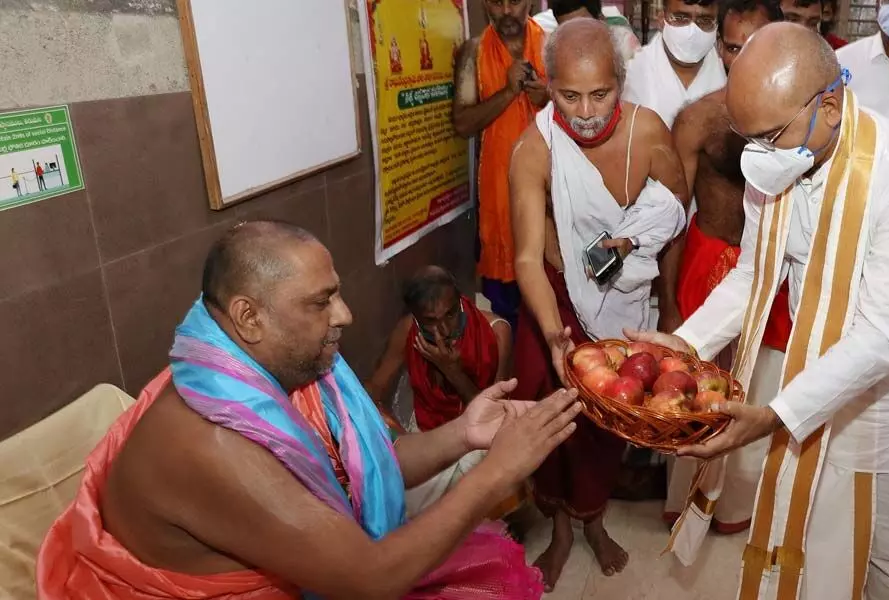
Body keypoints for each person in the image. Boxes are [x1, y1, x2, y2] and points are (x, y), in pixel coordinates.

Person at [37, 221, 584, 599]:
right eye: (321, 301)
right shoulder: (213, 442)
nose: (343, 315)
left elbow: (374, 465)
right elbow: (371, 580)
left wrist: (465, 434)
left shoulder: (275, 369)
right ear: (249, 318)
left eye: (336, 293)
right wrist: (493, 478)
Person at [632, 23, 889, 599]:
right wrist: (685, 344)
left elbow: (884, 337)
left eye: (769, 135)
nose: (756, 154)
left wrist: (775, 415)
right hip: (819, 380)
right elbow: (754, 276)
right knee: (817, 551)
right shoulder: (776, 162)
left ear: (830, 106)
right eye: (746, 137)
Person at [509, 18, 689, 591]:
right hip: (555, 303)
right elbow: (526, 259)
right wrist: (554, 332)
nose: (585, 111)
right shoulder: (534, 147)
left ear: (621, 81)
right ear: (548, 85)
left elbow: (674, 219)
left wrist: (668, 307)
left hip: (627, 305)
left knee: (611, 421)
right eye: (568, 94)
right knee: (559, 422)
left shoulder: (649, 133)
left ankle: (594, 521)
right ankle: (562, 529)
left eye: (600, 92)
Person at [663, 0, 792, 539]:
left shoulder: (801, 117)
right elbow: (670, 216)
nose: (742, 59)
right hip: (707, 257)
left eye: (755, 45)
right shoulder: (698, 117)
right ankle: (681, 498)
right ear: (721, 48)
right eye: (733, 47)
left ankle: (737, 502)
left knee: (759, 389)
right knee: (691, 386)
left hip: (774, 266)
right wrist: (669, 302)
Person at [365, 265, 516, 514]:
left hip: (479, 435)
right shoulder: (408, 331)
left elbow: (492, 415)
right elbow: (375, 387)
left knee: (470, 505)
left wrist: (451, 370)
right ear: (416, 318)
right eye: (430, 322)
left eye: (450, 315)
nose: (443, 331)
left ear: (460, 302)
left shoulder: (496, 332)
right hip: (427, 430)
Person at [623, 0, 726, 332]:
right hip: (641, 233)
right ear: (661, 15)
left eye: (705, 20)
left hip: (707, 237)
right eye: (681, 18)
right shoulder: (633, 73)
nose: (692, 30)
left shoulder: (728, 68)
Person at [452, 0, 549, 331]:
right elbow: (463, 123)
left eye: (516, 1)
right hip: (500, 196)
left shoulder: (552, 45)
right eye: (497, 1)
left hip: (551, 192)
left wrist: (547, 97)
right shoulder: (473, 54)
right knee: (508, 308)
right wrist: (509, 92)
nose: (507, 10)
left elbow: (582, 113)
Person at [533, 0, 642, 61]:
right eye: (568, 30)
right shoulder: (552, 48)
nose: (577, 37)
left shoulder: (624, 46)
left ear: (601, 20)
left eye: (583, 27)